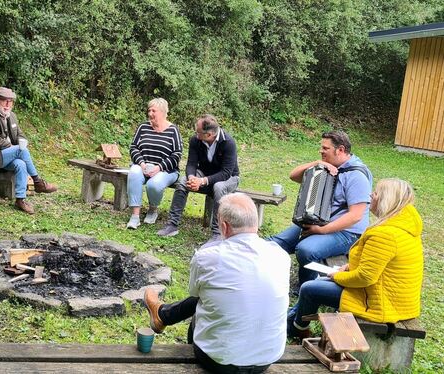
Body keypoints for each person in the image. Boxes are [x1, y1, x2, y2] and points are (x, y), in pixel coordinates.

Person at [144, 193, 290, 373]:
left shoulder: (208, 256)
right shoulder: (280, 255)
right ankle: (162, 315)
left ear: (224, 226)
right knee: (224, 294)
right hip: (266, 359)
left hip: (218, 360)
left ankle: (163, 315)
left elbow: (195, 293)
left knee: (205, 300)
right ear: (256, 222)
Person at [287, 178, 423, 339]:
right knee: (318, 284)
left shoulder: (384, 235)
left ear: (386, 200)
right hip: (392, 298)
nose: (371, 195)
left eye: (376, 192)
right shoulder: (402, 228)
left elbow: (365, 277)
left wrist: (338, 276)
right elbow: (374, 265)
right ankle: (295, 323)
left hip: (379, 303)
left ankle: (297, 329)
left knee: (309, 289)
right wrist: (347, 268)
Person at [270, 130, 372, 286]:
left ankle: (310, 287)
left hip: (347, 233)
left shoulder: (357, 175)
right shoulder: (326, 167)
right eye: (321, 147)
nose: (321, 151)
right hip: (319, 222)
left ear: (341, 150)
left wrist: (321, 231)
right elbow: (294, 176)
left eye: (325, 148)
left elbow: (355, 216)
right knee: (274, 244)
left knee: (306, 250)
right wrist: (316, 164)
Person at [157, 114, 239, 243]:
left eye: (198, 132)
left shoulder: (228, 143)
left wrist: (202, 181)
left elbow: (226, 173)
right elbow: (191, 164)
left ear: (209, 134)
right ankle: (172, 225)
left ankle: (217, 233)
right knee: (183, 181)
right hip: (204, 174)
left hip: (229, 178)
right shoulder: (195, 140)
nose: (196, 134)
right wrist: (192, 178)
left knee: (218, 187)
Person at [0, 86, 57, 215]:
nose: (8, 104)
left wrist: (21, 142)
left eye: (11, 101)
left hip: (6, 156)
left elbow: (20, 135)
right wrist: (16, 148)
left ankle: (20, 199)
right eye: (4, 101)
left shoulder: (12, 116)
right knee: (22, 151)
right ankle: (38, 182)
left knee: (21, 164)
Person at [126, 98, 183, 229]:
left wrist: (159, 167)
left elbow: (177, 154)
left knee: (154, 184)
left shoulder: (173, 130)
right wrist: (141, 164)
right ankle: (135, 216)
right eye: (149, 110)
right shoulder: (143, 127)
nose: (150, 113)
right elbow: (133, 147)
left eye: (153, 111)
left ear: (162, 112)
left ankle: (153, 209)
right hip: (143, 166)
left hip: (166, 170)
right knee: (134, 173)